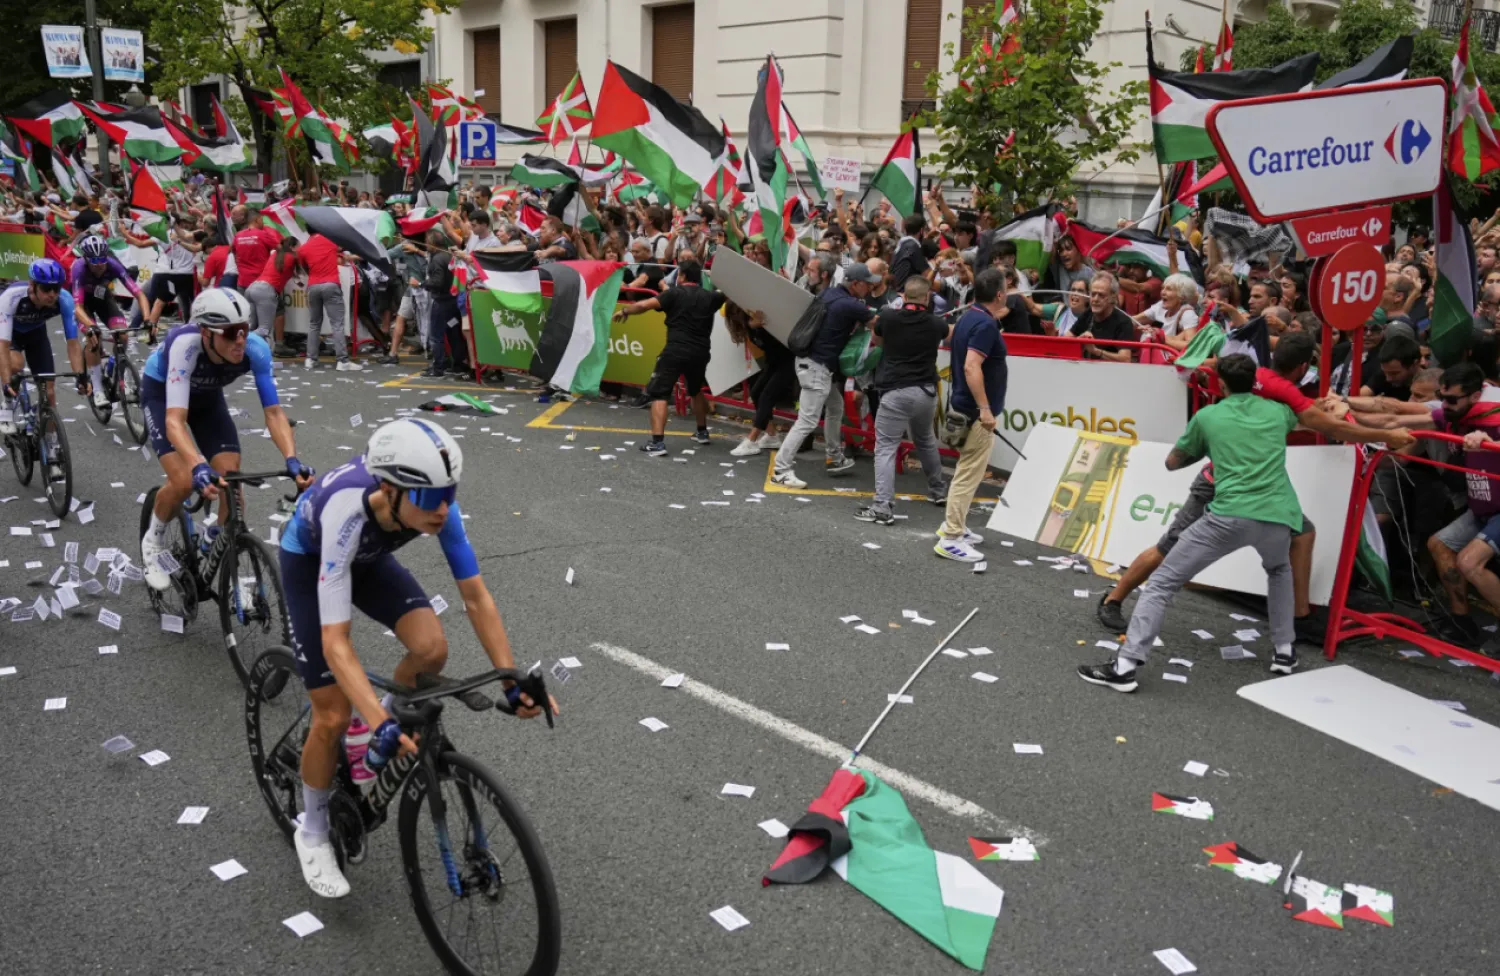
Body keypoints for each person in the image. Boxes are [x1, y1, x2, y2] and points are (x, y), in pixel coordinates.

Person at [277, 418, 557, 898]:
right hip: (313, 560)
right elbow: (336, 644)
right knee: (333, 713)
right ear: (389, 490)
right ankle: (314, 831)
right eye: (431, 498)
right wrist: (372, 718)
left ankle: (373, 730)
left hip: (369, 559)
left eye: (450, 493)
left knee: (431, 649)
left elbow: (476, 598)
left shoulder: (436, 507)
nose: (443, 508)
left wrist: (511, 680)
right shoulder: (347, 510)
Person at [1095, 333, 1415, 638]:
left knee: (1303, 532)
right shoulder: (1282, 402)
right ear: (1303, 368)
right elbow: (1329, 425)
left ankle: (1300, 616)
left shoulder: (1252, 379)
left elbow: (1175, 456)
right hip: (1225, 483)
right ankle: (1114, 598)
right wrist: (1388, 436)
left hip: (1257, 487)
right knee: (1169, 548)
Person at [1079, 355, 1308, 691]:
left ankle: (1125, 666)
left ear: (1222, 384)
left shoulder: (1208, 415)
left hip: (1229, 513)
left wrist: (1208, 445)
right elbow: (1306, 419)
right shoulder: (1278, 412)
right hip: (1278, 515)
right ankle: (1284, 652)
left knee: (1162, 583)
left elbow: (1173, 462)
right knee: (1278, 571)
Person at [138, 289, 312, 589]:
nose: (240, 340)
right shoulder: (185, 345)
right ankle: (153, 541)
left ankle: (216, 541)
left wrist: (292, 459)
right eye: (231, 333)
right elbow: (174, 421)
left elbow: (273, 413)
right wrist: (198, 465)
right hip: (163, 396)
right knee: (183, 480)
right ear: (206, 333)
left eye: (244, 329)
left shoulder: (256, 349)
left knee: (232, 485)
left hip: (207, 401)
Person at [769, 263, 881, 488]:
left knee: (835, 406)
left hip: (811, 363)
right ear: (856, 284)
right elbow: (878, 326)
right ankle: (781, 468)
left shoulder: (830, 293)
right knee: (807, 420)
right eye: (867, 284)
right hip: (817, 368)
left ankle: (834, 456)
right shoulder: (850, 305)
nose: (870, 288)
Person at [855, 277, 950, 525]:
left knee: (885, 447)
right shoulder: (936, 323)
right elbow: (949, 334)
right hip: (926, 391)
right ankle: (938, 491)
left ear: (904, 297)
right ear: (927, 298)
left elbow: (876, 341)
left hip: (896, 390)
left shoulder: (888, 317)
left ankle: (883, 506)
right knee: (926, 440)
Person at [934, 268, 1008, 563]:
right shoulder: (985, 325)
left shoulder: (969, 318)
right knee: (968, 473)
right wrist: (986, 409)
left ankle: (956, 527)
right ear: (1000, 294)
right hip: (975, 411)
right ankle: (951, 536)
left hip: (966, 406)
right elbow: (970, 366)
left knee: (967, 469)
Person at [615, 257, 725, 455]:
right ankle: (702, 432)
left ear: (682, 276)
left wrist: (624, 311)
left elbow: (643, 305)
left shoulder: (673, 294)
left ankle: (657, 443)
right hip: (700, 352)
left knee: (659, 394)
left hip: (675, 350)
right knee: (695, 390)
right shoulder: (711, 297)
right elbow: (731, 294)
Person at [1425, 363, 1500, 647]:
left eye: (1451, 399)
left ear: (1475, 396)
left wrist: (1485, 439)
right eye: (1441, 397)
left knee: (1470, 563)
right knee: (1439, 544)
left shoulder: (1494, 414)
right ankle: (1462, 621)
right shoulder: (1459, 415)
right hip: (1483, 507)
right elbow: (1401, 415)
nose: (1445, 404)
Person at [0, 259, 82, 436]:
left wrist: (81, 375)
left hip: (36, 335)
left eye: (57, 289)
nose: (52, 294)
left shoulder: (64, 299)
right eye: (46, 289)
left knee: (49, 392)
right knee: (16, 365)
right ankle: (7, 406)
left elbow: (73, 342)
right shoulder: (11, 297)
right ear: (32, 285)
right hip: (10, 334)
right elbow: (3, 344)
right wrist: (6, 383)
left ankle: (51, 444)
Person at [71, 236, 149, 408]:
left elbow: (139, 294)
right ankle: (98, 390)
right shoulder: (79, 268)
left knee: (123, 335)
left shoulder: (113, 265)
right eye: (95, 260)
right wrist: (91, 327)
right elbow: (77, 307)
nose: (99, 264)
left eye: (102, 259)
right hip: (83, 305)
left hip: (103, 299)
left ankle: (117, 370)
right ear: (86, 259)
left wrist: (148, 319)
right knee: (94, 338)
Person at [725, 303, 790, 457]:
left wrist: (757, 325)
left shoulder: (761, 323)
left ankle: (752, 440)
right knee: (756, 392)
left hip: (790, 361)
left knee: (767, 395)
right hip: (774, 362)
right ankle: (772, 436)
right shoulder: (750, 326)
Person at [297, 232, 360, 371]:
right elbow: (344, 249)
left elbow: (304, 266)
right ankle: (342, 361)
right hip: (331, 284)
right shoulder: (331, 240)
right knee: (337, 324)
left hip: (313, 286)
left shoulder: (303, 248)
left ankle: (310, 359)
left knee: (314, 323)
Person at [246, 234, 299, 356]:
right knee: (264, 329)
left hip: (253, 287)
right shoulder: (292, 256)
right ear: (292, 247)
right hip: (266, 290)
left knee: (252, 325)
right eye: (298, 247)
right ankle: (238, 339)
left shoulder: (275, 254)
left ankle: (247, 352)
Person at [1069, 271, 1135, 362]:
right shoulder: (1088, 313)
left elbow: (1126, 359)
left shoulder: (1124, 322)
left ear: (1113, 297)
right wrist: (1079, 340)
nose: (1095, 299)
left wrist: (1096, 351)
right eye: (1093, 294)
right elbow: (1067, 339)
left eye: (1101, 295)